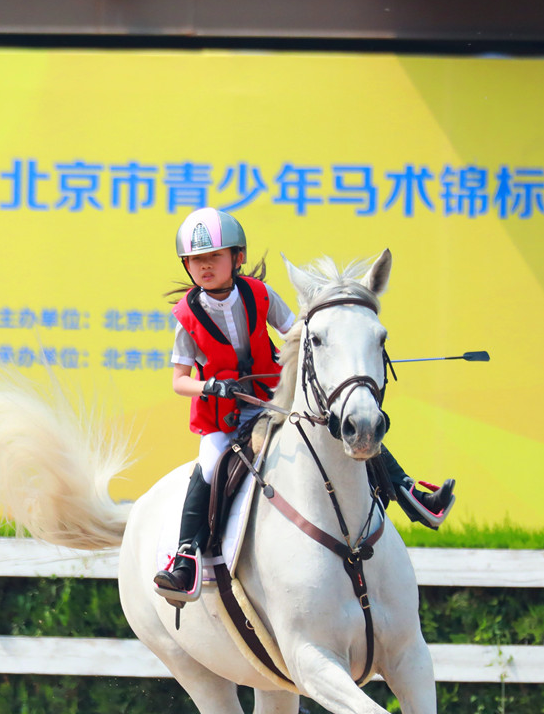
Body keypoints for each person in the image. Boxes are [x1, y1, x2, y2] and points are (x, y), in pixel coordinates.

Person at [153, 207, 455, 601]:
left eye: (214, 257)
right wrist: (211, 386)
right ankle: (186, 557)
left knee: (346, 424)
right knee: (208, 469)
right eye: (195, 260)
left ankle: (412, 494)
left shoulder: (260, 295)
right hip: (221, 416)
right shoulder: (186, 317)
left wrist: (341, 347)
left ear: (237, 258)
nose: (204, 267)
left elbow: (298, 331)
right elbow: (179, 383)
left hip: (271, 399)